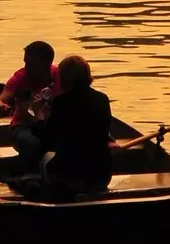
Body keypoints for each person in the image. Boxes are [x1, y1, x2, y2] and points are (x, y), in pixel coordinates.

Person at [20, 54, 114, 195]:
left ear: (65, 78)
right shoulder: (102, 99)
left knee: (44, 158)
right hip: (101, 176)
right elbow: (102, 131)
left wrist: (39, 115)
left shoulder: (62, 102)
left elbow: (49, 141)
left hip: (70, 176)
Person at [0, 41, 59, 167]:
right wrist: (0, 106)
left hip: (51, 126)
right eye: (25, 63)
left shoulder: (61, 76)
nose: (26, 68)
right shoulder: (20, 77)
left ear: (47, 64)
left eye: (32, 65)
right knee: (30, 142)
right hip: (23, 126)